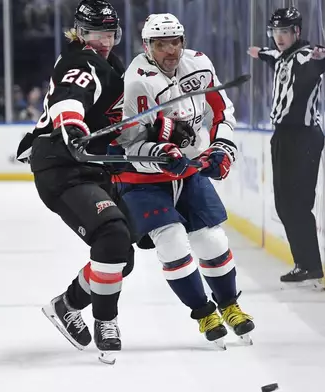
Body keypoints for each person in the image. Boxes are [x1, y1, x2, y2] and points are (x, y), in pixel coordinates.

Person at [114, 13, 254, 349]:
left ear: (183, 41)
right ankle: (204, 311)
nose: (169, 50)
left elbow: (222, 113)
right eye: (160, 44)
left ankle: (230, 305)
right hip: (143, 178)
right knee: (173, 241)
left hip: (187, 170)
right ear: (148, 47)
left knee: (212, 241)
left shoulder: (200, 66)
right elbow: (127, 140)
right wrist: (161, 150)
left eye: (174, 42)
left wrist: (223, 149)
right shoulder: (138, 80)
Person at [15, 0, 131, 365]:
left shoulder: (113, 66)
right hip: (62, 166)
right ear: (81, 34)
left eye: (110, 33)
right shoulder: (82, 62)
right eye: (97, 33)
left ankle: (67, 305)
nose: (105, 40)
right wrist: (72, 125)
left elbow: (125, 118)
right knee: (112, 237)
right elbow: (71, 99)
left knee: (122, 254)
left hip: (89, 166)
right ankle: (106, 321)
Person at [247, 7, 325, 285]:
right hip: (282, 136)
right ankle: (302, 263)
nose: (279, 38)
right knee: (284, 204)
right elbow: (272, 56)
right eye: (275, 32)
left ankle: (311, 265)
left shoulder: (306, 57)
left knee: (299, 203)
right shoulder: (281, 56)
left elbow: (320, 59)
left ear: (297, 32)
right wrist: (259, 52)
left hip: (304, 137)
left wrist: (323, 57)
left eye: (284, 32)